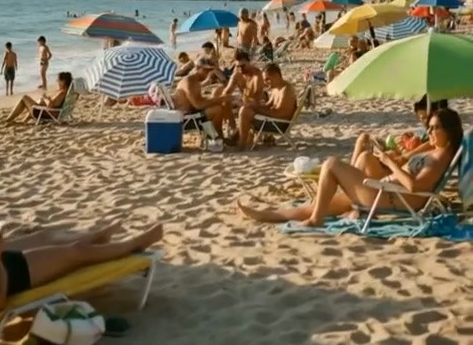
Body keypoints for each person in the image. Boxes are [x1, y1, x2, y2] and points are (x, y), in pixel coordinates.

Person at [238, 107, 463, 225]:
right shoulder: (434, 148)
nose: (429, 132)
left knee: (332, 164)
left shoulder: (438, 159)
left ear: (450, 132)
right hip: (385, 190)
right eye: (429, 128)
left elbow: (414, 186)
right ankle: (266, 214)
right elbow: (406, 159)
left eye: (435, 129)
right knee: (321, 202)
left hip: (393, 198)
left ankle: (316, 221)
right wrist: (394, 156)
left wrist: (388, 164)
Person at [0, 221, 163, 311]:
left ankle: (95, 237)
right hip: (14, 274)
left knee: (45, 236)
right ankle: (134, 244)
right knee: (75, 253)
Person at [232, 62, 297, 150]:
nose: (266, 83)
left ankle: (241, 143)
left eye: (268, 79)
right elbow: (268, 105)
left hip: (278, 124)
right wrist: (255, 105)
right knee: (246, 107)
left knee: (245, 111)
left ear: (276, 76)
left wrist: (257, 109)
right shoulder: (277, 88)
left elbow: (280, 114)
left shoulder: (286, 91)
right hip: (273, 120)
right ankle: (241, 138)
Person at [172, 57, 232, 135]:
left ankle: (217, 136)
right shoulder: (189, 81)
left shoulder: (194, 80)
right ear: (197, 68)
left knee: (218, 104)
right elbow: (198, 105)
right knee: (218, 110)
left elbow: (198, 100)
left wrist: (217, 99)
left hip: (190, 115)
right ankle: (214, 138)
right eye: (205, 70)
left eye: (210, 70)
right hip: (186, 120)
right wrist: (220, 99)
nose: (208, 73)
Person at [6, 71, 72, 124]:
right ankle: (24, 121)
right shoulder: (66, 92)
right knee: (40, 101)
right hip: (54, 113)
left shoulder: (61, 93)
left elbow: (50, 106)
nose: (57, 82)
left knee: (24, 98)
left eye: (58, 80)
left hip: (48, 115)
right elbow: (55, 104)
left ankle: (9, 119)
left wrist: (46, 97)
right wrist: (45, 99)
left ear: (63, 82)